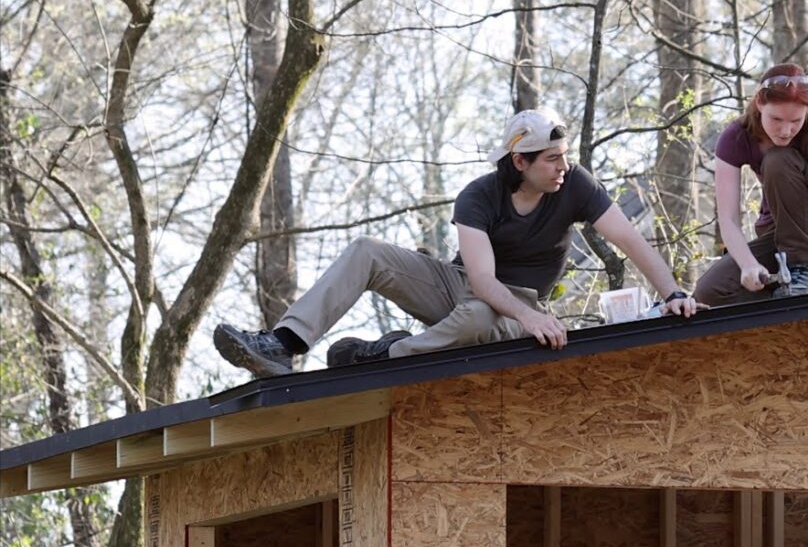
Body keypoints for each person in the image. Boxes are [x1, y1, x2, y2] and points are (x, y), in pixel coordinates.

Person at [214, 107, 704, 378]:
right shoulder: (478, 197)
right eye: (550, 159)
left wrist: (673, 294)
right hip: (464, 284)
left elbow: (630, 240)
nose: (562, 166)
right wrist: (533, 319)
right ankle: (282, 343)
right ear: (520, 162)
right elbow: (482, 279)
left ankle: (388, 355)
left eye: (564, 156)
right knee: (366, 250)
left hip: (516, 308)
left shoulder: (575, 184)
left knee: (474, 317)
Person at [693, 63, 808, 307]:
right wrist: (748, 265)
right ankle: (788, 290)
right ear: (759, 103)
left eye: (795, 120)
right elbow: (728, 218)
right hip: (782, 235)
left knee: (778, 159)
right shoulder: (735, 136)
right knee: (711, 291)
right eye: (776, 119)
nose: (786, 131)